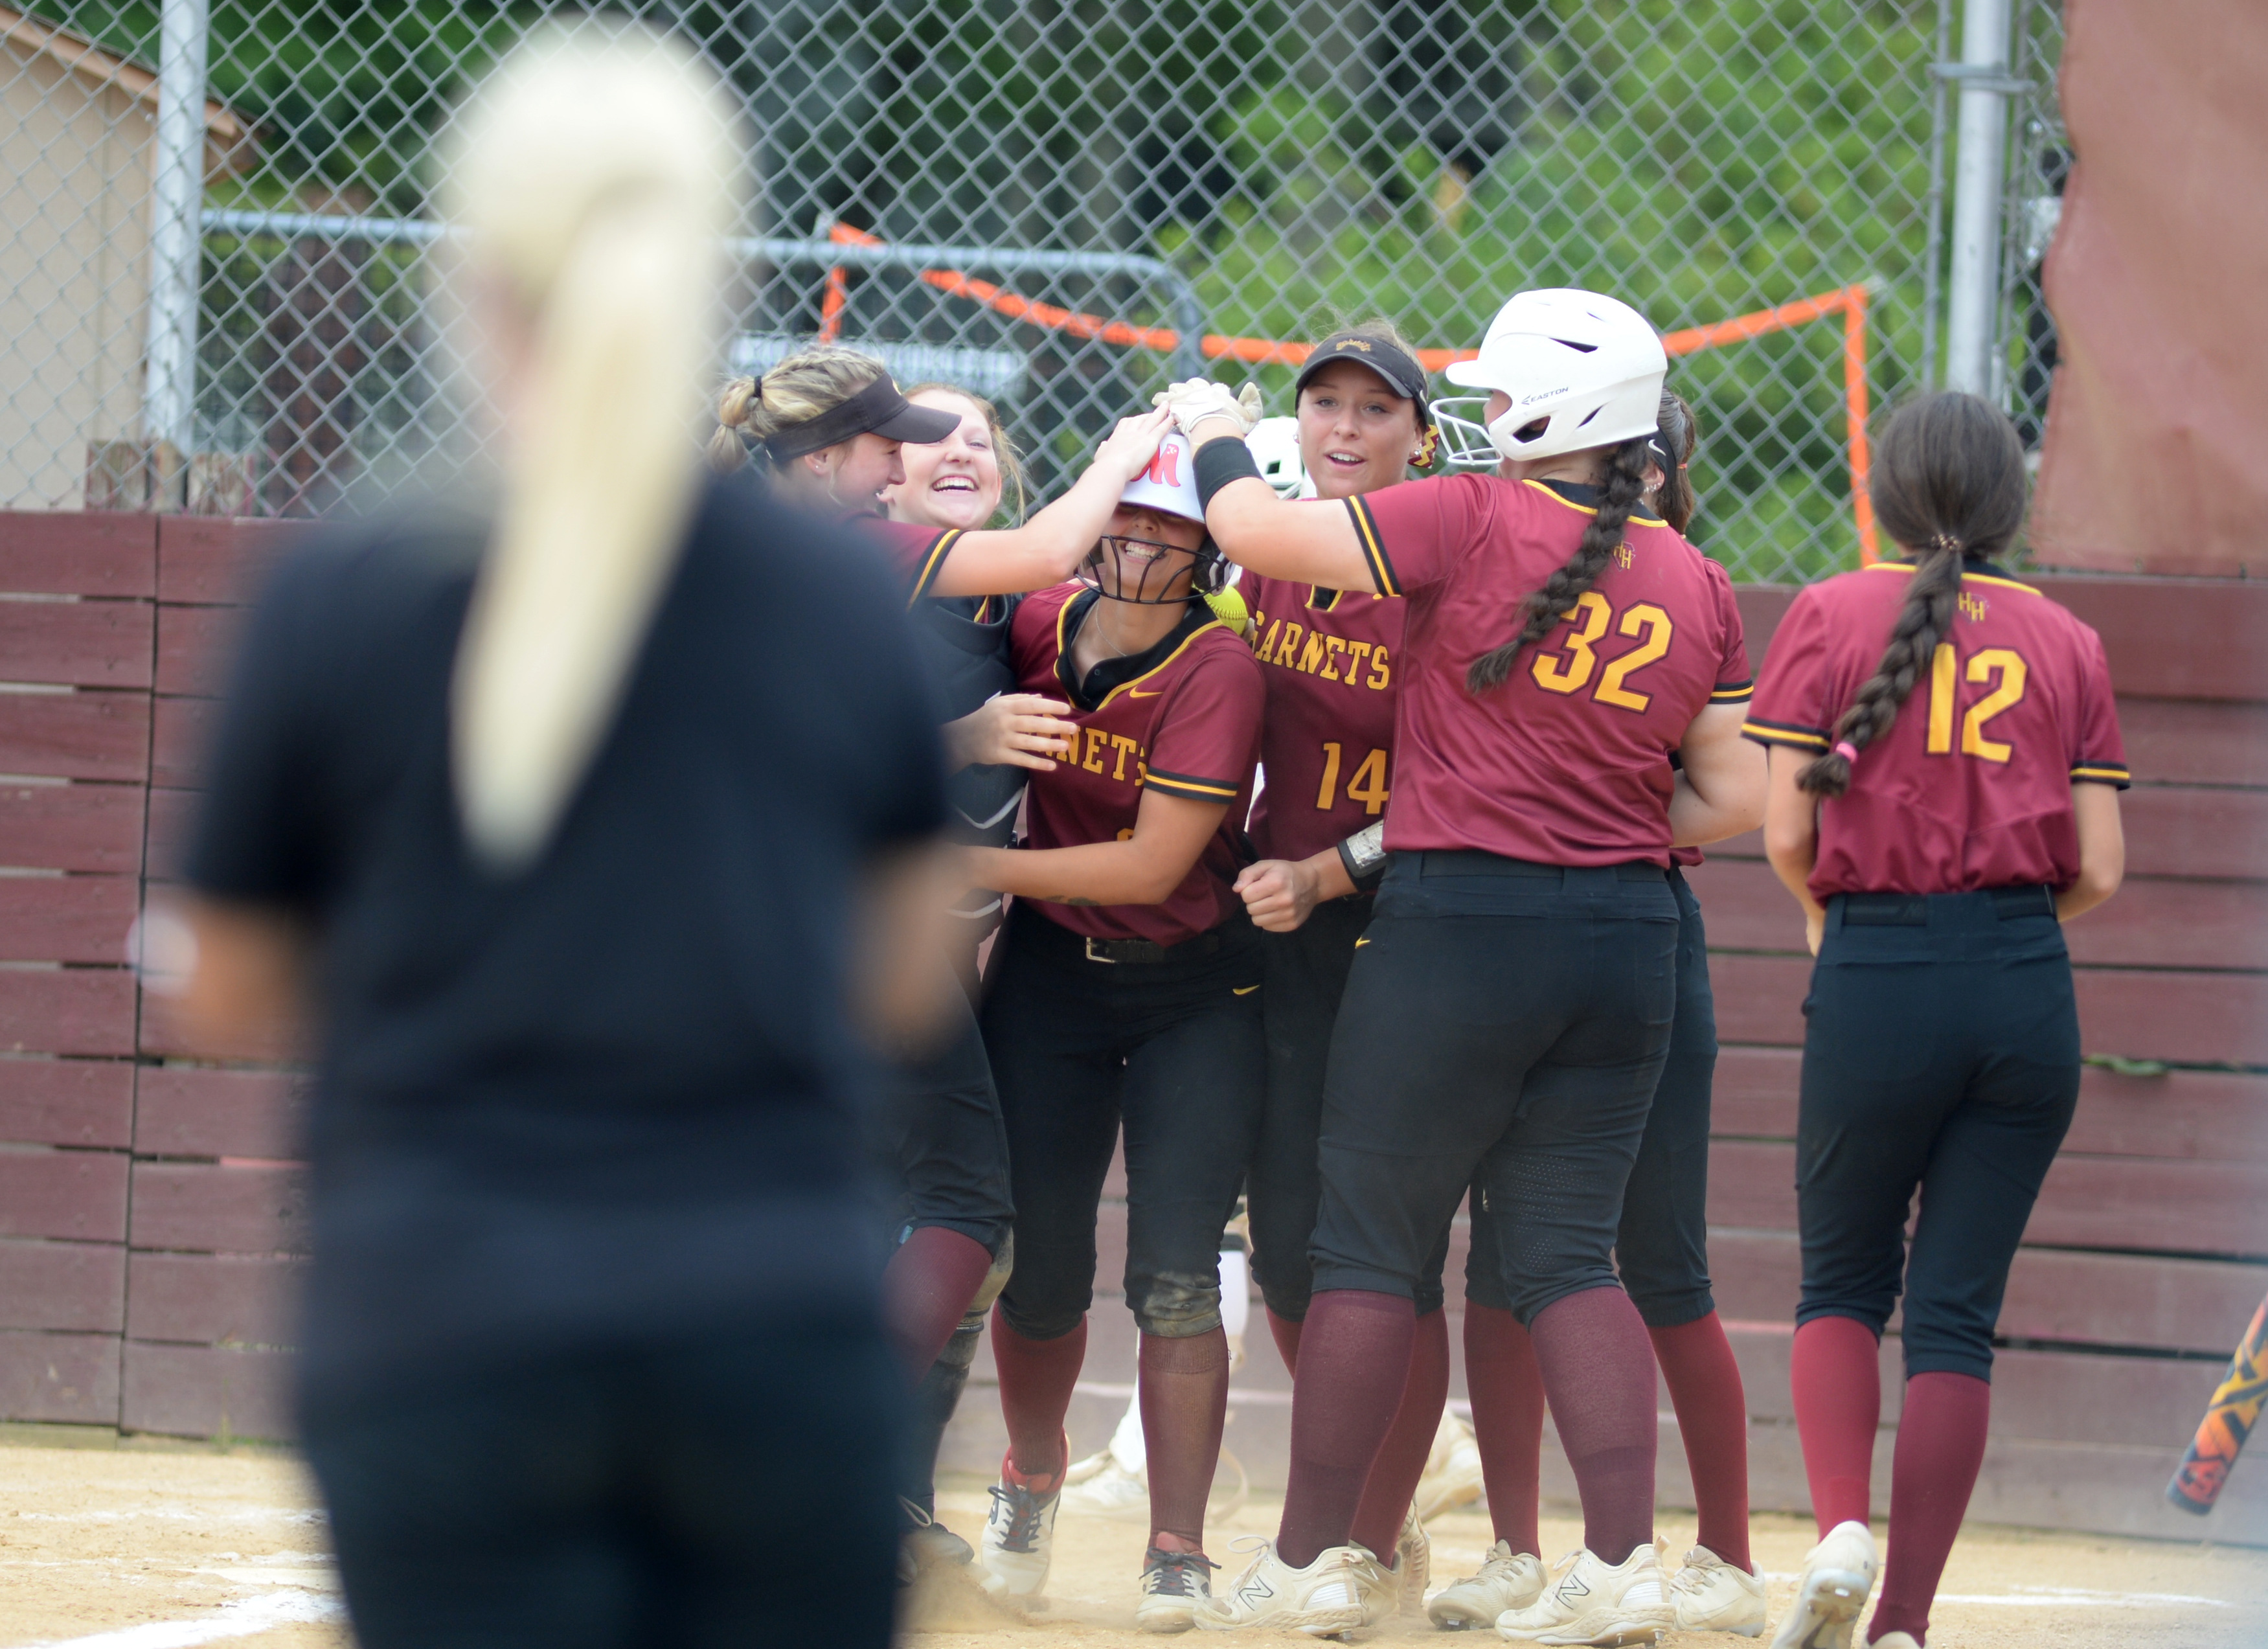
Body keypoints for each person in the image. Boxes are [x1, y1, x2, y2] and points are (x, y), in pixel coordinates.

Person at [152, 29, 955, 1648]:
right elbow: (907, 973)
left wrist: (449, 976)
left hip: (444, 1322)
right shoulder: (838, 601)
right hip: (769, 1324)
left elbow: (223, 987)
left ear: (478, 279)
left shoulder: (348, 587)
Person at [1157, 287, 1765, 1643]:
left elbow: (1248, 526)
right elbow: (1737, 794)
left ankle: (1312, 1554)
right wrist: (1591, 818)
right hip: (1624, 938)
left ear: (1554, 406)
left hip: (1457, 928)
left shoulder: (1473, 513)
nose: (1485, 412)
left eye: (1501, 393)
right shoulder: (1694, 575)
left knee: (1368, 1248)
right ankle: (1616, 1565)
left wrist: (1208, 429)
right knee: (1561, 1254)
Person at [707, 356, 1172, 1573]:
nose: (927, 453)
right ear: (835, 466)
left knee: (898, 1212)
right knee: (967, 1204)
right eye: (900, 442)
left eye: (974, 436)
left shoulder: (922, 588)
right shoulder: (859, 556)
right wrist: (1132, 453)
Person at [1744, 391, 2126, 1649]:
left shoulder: (1826, 612)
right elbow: (2101, 869)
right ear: (2008, 505)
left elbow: (1788, 835)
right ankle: (1901, 1624)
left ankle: (1840, 1531)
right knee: (1954, 1313)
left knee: (1840, 1283)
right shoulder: (2065, 638)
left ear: (1887, 496)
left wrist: (1835, 923)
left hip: (1877, 967)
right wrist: (2001, 936)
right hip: (2023, 982)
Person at [1428, 391, 1767, 1637]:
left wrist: (1602, 839)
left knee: (1650, 1259)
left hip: (1628, 938)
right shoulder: (1544, 570)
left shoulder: (1680, 587)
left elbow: (1733, 790)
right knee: (1511, 1255)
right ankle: (1520, 1545)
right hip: (1576, 936)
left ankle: (1722, 1553)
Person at [956, 430, 1269, 1632]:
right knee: (1039, 1267)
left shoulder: (1219, 664)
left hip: (1193, 980)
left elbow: (1151, 865)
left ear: (1210, 549)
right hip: (1048, 973)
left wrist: (965, 858)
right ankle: (1029, 1477)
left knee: (1179, 1272)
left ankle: (1175, 1548)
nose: (1142, 544)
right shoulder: (1035, 623)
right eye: (1128, 521)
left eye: (1174, 528)